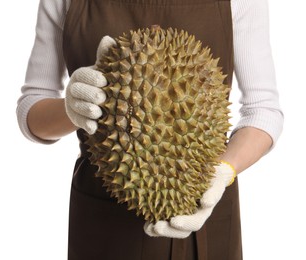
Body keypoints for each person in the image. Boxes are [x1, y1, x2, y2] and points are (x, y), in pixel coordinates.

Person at [17, 0, 284, 259]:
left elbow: (263, 110)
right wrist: (72, 106)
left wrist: (224, 170)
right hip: (104, 220)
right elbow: (31, 109)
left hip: (205, 205)